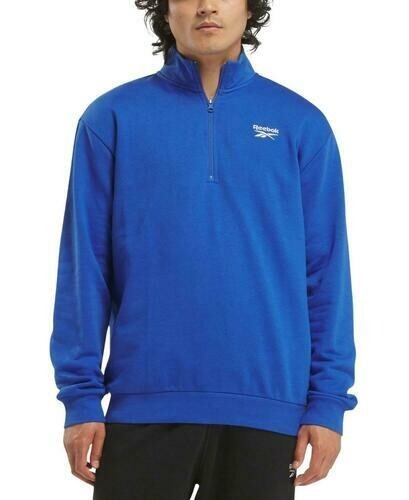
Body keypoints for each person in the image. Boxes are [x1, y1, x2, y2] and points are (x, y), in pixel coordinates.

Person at [49, 0, 358, 498]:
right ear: (165, 9)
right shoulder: (112, 119)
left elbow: (326, 276)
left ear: (249, 8)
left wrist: (327, 402)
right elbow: (85, 267)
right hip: (141, 408)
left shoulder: (301, 124)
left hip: (266, 410)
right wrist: (80, 398)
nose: (207, 5)